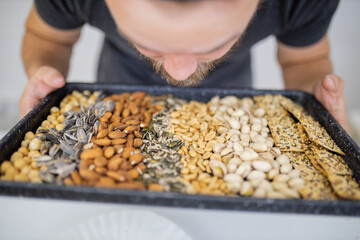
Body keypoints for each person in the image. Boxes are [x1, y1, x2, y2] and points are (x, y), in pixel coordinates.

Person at [20, 0, 349, 132]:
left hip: (232, 106)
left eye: (212, 45)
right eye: (148, 43)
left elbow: (304, 59)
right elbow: (48, 38)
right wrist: (43, 72)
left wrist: (314, 105)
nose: (181, 74)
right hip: (117, 90)